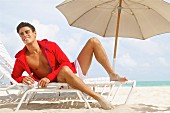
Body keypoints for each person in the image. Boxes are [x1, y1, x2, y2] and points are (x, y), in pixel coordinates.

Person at [12, 22, 127, 110]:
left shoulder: (50, 46)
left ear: (34, 33)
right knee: (65, 70)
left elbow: (66, 62)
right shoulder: (22, 58)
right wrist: (22, 78)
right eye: (21, 34)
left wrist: (48, 77)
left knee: (93, 41)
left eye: (27, 32)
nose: (25, 35)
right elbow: (14, 76)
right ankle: (98, 98)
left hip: (72, 71)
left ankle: (111, 74)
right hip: (60, 79)